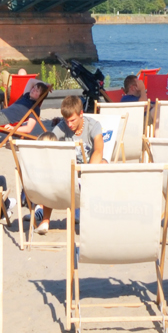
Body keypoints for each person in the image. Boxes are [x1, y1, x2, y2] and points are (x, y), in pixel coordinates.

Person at [31, 96, 104, 235]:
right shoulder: (62, 127)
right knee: (52, 173)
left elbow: (99, 150)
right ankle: (45, 220)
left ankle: (92, 217)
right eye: (66, 120)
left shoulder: (93, 126)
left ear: (81, 114)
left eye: (72, 120)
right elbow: (48, 142)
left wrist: (88, 171)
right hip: (70, 170)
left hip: (89, 166)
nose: (69, 125)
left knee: (103, 163)